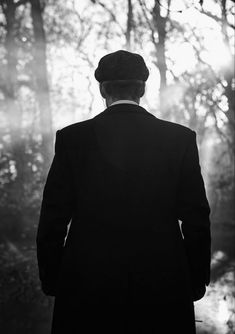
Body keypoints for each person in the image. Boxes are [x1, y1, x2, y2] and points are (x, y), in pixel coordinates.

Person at [36, 50, 211, 334]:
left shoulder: (72, 139)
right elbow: (197, 218)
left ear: (103, 88)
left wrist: (53, 277)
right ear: (142, 88)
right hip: (164, 283)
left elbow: (53, 218)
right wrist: (196, 278)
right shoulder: (180, 139)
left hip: (86, 284)